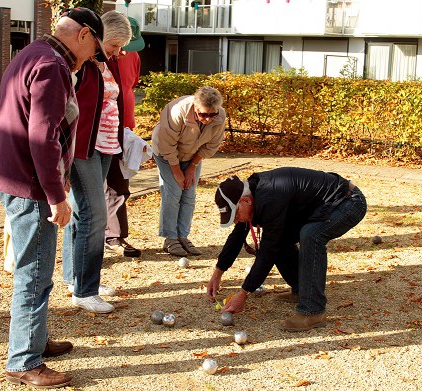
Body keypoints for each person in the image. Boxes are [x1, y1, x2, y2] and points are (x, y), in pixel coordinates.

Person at [0, 7, 106, 388]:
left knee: (34, 269)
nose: (92, 59)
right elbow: (43, 136)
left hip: (14, 176)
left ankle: (33, 340)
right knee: (35, 274)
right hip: (31, 185)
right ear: (85, 34)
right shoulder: (54, 66)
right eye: (95, 50)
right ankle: (24, 360)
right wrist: (57, 194)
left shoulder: (30, 53)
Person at [207, 167, 367, 332]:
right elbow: (238, 236)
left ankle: (313, 311)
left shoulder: (270, 198)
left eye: (235, 215)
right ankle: (301, 289)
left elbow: (268, 251)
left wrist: (244, 292)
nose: (235, 220)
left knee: (311, 235)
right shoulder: (252, 193)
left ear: (246, 201)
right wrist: (218, 272)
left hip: (349, 202)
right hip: (327, 205)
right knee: (280, 240)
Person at [62, 10, 132, 314]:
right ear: (98, 37)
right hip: (83, 150)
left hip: (105, 147)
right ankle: (85, 289)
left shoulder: (105, 63)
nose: (119, 51)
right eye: (116, 44)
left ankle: (75, 278)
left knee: (81, 214)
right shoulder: (80, 64)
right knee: (95, 216)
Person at [151, 86, 225, 257]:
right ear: (195, 107)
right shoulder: (177, 111)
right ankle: (170, 238)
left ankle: (182, 236)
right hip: (166, 153)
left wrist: (192, 167)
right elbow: (166, 145)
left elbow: (212, 145)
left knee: (189, 193)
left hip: (192, 154)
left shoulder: (219, 116)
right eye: (203, 114)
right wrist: (177, 171)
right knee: (173, 192)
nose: (207, 119)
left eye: (212, 115)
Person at [104, 16, 145, 257]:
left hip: (125, 129)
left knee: (119, 184)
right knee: (101, 186)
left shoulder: (133, 56)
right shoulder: (98, 58)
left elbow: (131, 85)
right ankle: (103, 236)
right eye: (118, 46)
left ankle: (115, 236)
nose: (122, 52)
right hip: (103, 132)